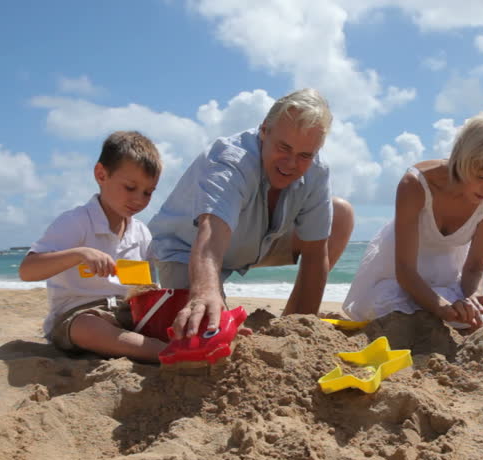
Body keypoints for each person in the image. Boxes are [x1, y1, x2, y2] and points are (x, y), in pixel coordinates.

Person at [148, 88, 354, 339]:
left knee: (341, 214)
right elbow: (211, 233)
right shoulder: (231, 160)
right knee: (205, 329)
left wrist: (302, 328)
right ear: (264, 131)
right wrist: (204, 292)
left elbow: (315, 255)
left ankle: (291, 318)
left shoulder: (317, 171)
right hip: (187, 248)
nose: (290, 164)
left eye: (304, 155)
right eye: (283, 147)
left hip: (257, 241)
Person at [343, 111, 483, 331]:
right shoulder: (415, 185)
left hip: (448, 275)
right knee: (400, 314)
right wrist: (443, 309)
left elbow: (474, 267)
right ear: (462, 159)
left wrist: (474, 298)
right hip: (400, 276)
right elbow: (405, 270)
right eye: (481, 176)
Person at [19, 131, 165, 363]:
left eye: (148, 192)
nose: (139, 199)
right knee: (87, 328)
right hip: (79, 315)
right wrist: (79, 254)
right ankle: (159, 351)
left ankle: (176, 343)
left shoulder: (141, 232)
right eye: (130, 187)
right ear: (101, 174)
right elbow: (27, 271)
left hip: (127, 314)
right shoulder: (75, 221)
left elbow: (144, 285)